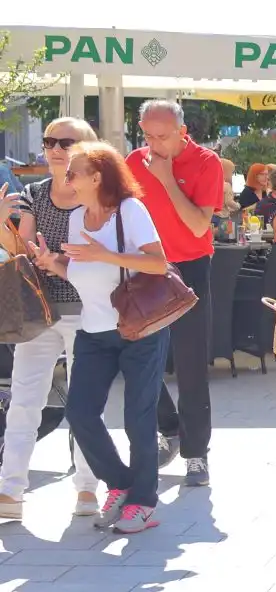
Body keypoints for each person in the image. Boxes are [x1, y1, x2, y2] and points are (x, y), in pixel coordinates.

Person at [29, 142, 172, 534]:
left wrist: (105, 255)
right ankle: (122, 485)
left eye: (73, 172)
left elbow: (158, 263)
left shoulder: (130, 211)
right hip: (94, 331)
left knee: (138, 420)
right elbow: (82, 272)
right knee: (79, 414)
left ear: (97, 177)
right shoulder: (77, 218)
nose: (66, 177)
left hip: (139, 329)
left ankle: (143, 502)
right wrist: (52, 263)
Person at [0, 117, 101, 521]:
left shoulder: (97, 197)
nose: (56, 148)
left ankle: (87, 487)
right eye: (49, 141)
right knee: (25, 401)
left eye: (66, 141)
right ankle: (10, 490)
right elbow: (21, 252)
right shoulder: (35, 194)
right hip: (38, 311)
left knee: (85, 404)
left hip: (88, 309)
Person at [131, 100, 222, 485]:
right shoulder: (134, 162)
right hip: (146, 267)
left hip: (189, 268)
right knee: (137, 358)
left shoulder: (206, 163)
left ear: (182, 131)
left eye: (162, 136)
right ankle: (170, 427)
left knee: (190, 363)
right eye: (148, 135)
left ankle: (196, 453)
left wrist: (167, 180)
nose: (153, 144)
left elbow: (200, 226)